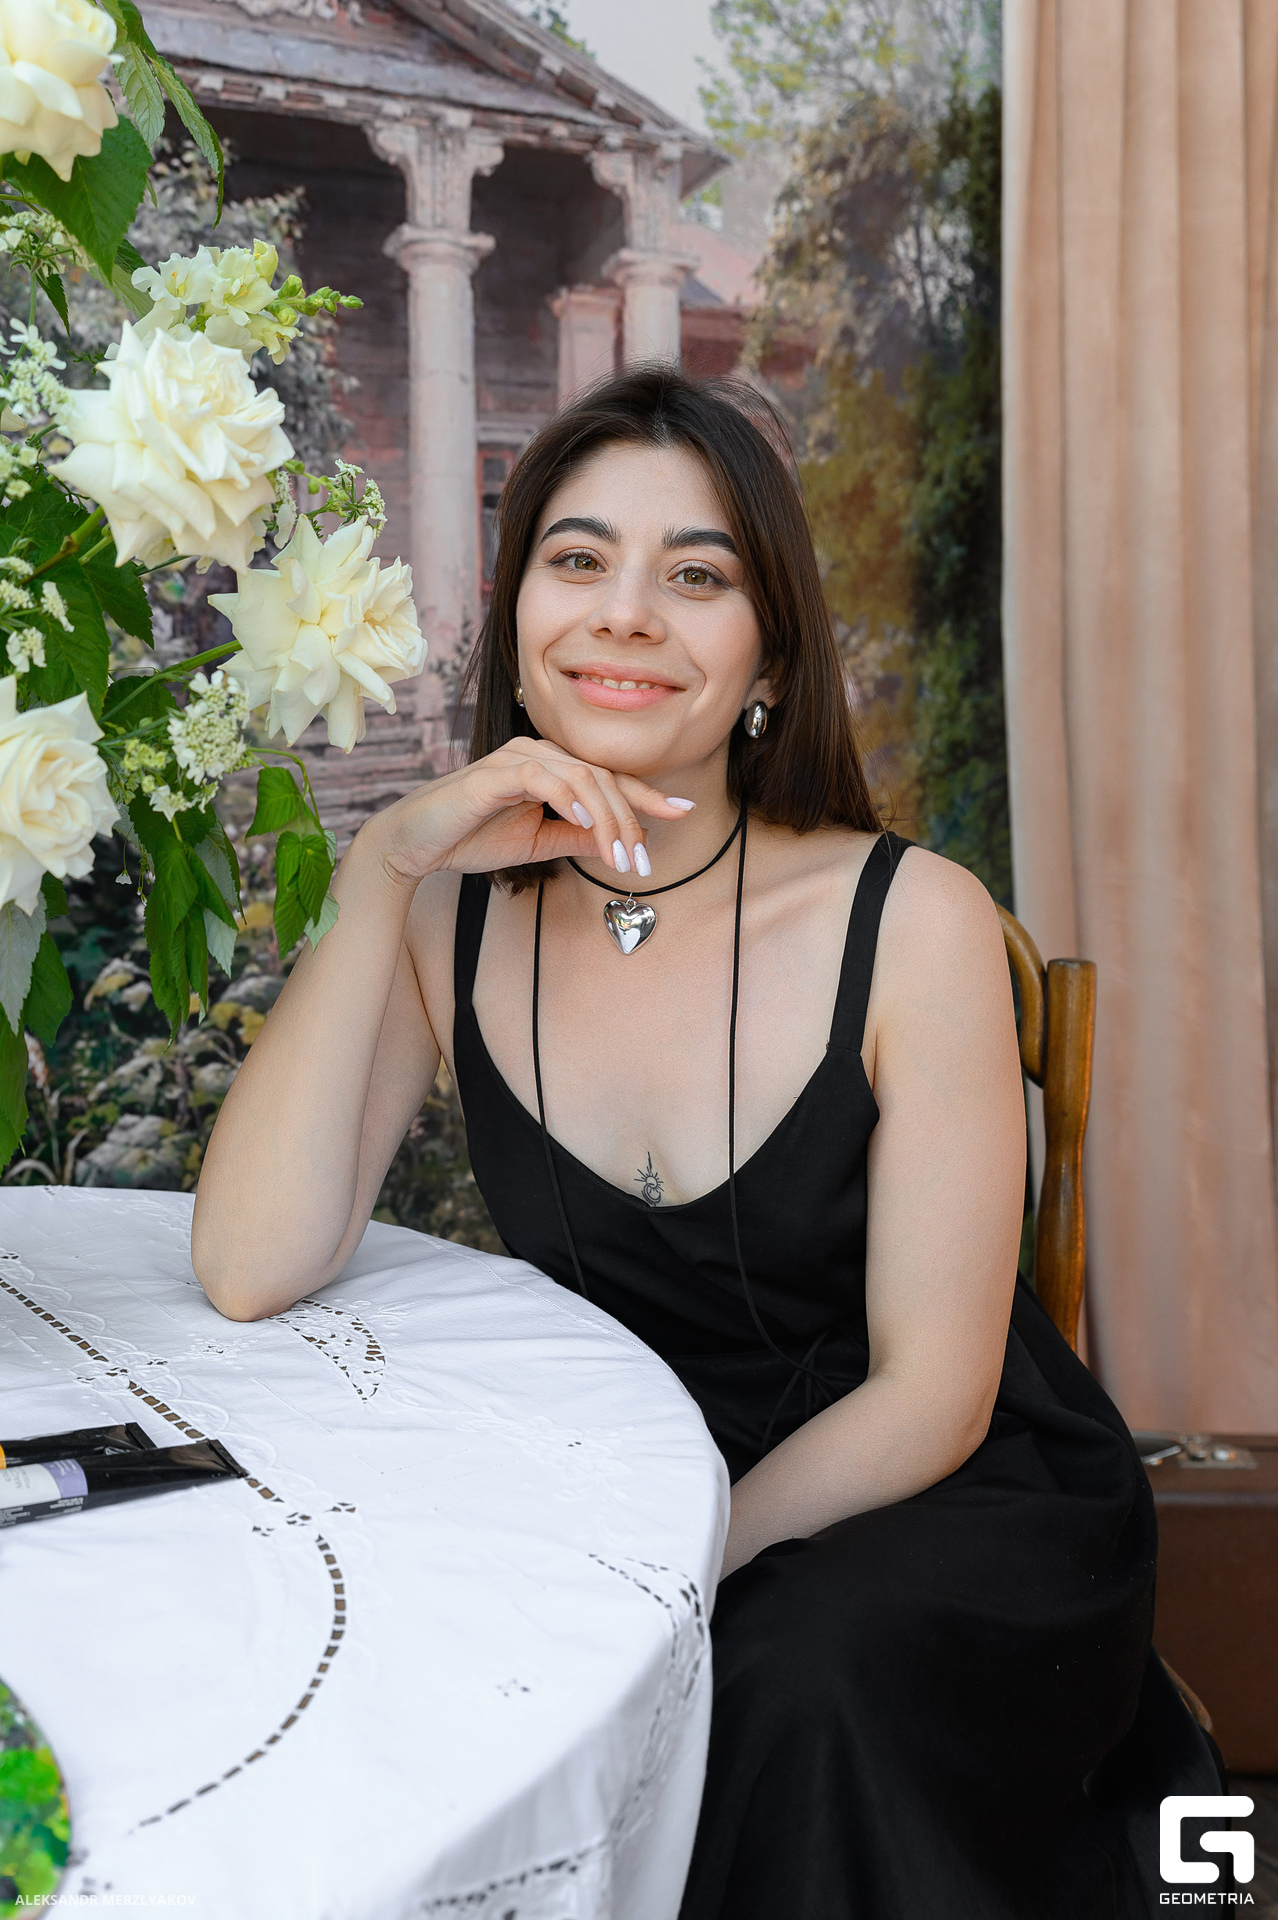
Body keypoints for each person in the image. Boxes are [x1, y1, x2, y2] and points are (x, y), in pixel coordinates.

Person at [193, 368, 1222, 1917]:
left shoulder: (909, 918)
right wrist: (382, 867)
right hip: (622, 1467)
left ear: (767, 659)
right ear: (519, 618)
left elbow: (933, 1396)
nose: (623, 613)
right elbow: (250, 1264)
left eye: (695, 576)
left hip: (922, 1497)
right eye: (577, 559)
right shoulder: (445, 912)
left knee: (786, 1682)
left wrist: (675, 1567)